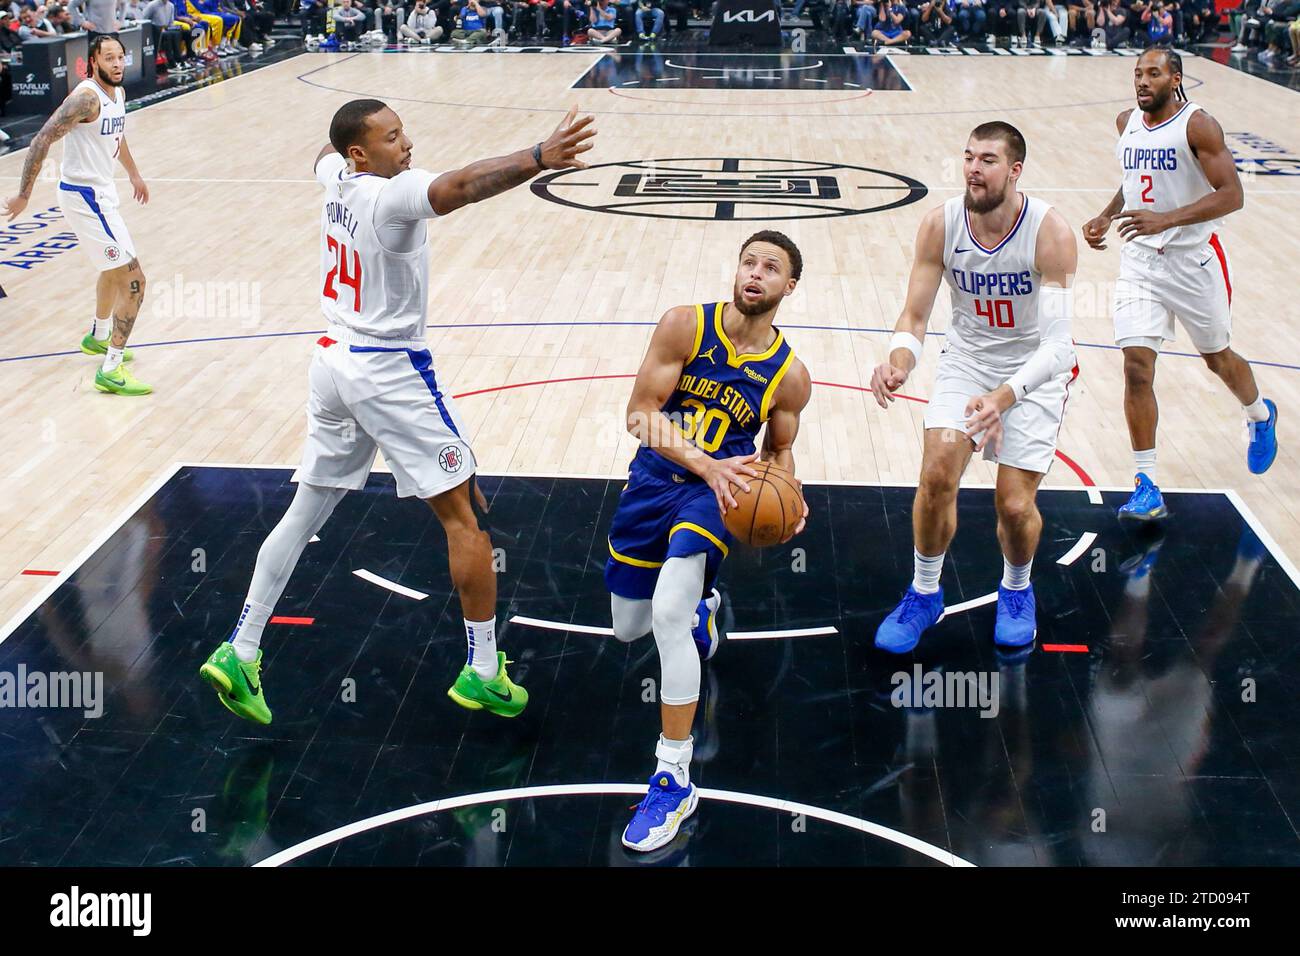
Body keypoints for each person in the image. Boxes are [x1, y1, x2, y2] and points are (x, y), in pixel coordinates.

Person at [197, 100, 597, 725]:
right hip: (386, 370)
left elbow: (321, 155)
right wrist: (538, 157)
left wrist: (345, 150)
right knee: (465, 519)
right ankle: (485, 671)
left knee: (307, 510)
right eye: (390, 137)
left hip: (331, 361)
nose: (406, 144)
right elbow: (462, 184)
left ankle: (240, 647)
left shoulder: (337, 177)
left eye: (402, 131)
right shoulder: (391, 196)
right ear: (361, 153)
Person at [609, 231, 811, 852]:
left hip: (715, 496)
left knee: (666, 616)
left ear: (789, 288)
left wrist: (789, 497)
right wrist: (705, 463)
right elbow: (640, 413)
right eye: (749, 261)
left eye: (771, 267)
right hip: (656, 482)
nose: (755, 273)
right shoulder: (684, 326)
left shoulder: (790, 374)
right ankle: (705, 607)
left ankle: (673, 777)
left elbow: (779, 450)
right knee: (629, 627)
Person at [870, 121, 1078, 654]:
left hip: (1032, 372)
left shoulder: (1049, 232)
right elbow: (914, 317)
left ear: (1014, 170)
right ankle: (924, 592)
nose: (973, 169)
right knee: (937, 471)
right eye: (967, 158)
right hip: (967, 362)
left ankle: (1016, 589)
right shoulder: (940, 225)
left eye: (987, 160)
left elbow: (1061, 349)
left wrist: (1004, 398)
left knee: (1013, 504)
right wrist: (900, 361)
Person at [1082, 48, 1278, 520]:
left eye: (1153, 73)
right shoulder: (1126, 121)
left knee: (1218, 360)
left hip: (1194, 263)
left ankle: (1259, 415)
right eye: (1137, 74)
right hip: (1140, 263)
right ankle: (1146, 482)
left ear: (1176, 77)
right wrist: (1107, 216)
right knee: (1136, 368)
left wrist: (1165, 219)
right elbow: (1136, 181)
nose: (1142, 81)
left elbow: (1233, 194)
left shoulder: (1199, 125)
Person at [3, 35, 152, 396]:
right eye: (109, 58)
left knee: (112, 270)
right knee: (135, 282)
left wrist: (133, 172)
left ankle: (99, 336)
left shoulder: (118, 93)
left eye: (121, 57)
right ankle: (110, 370)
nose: (118, 64)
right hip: (83, 197)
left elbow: (118, 136)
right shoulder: (85, 98)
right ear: (92, 63)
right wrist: (24, 194)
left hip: (102, 193)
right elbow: (41, 139)